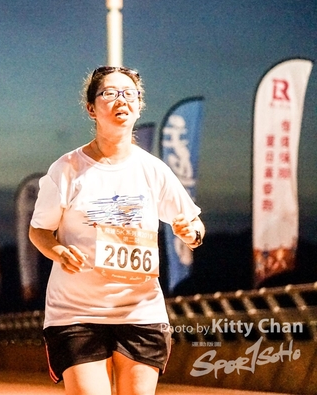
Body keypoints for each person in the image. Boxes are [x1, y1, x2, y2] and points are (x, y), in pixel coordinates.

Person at [28, 66, 205, 395]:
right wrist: (58, 251)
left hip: (140, 310)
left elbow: (194, 226)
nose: (121, 100)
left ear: (138, 106)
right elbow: (38, 231)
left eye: (129, 94)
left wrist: (189, 232)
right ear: (91, 108)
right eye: (109, 93)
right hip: (76, 312)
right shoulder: (67, 169)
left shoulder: (153, 170)